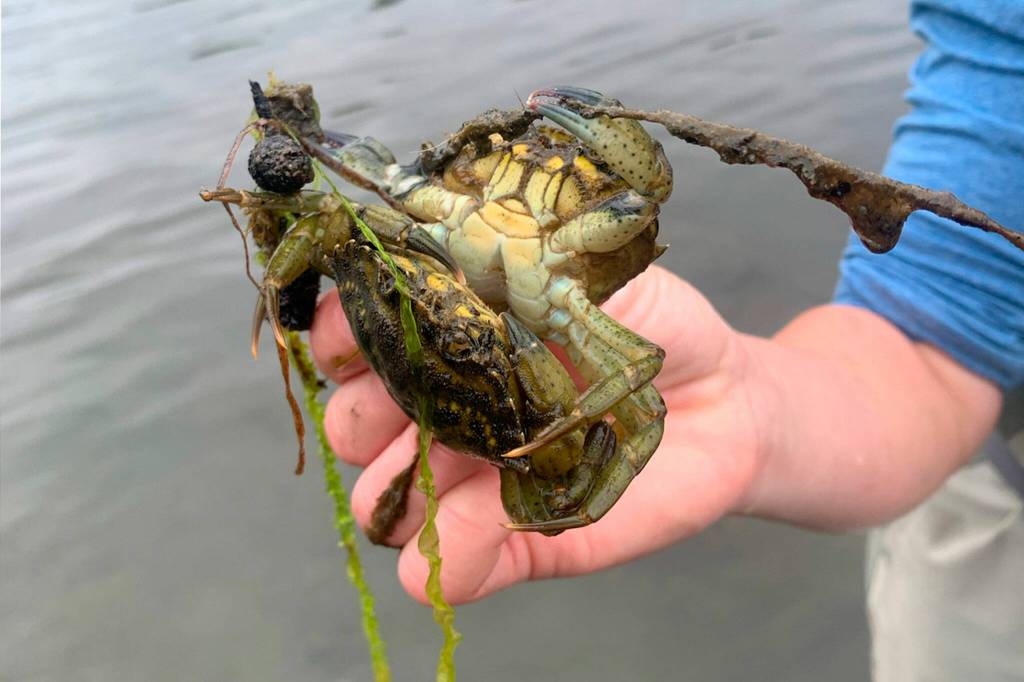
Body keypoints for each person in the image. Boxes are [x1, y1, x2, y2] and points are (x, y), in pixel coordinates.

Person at [309, 0, 1023, 678]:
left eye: (564, 172)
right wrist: (751, 410)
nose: (537, 171)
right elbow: (946, 324)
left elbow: (641, 390)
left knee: (637, 404)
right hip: (994, 524)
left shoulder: (609, 216)